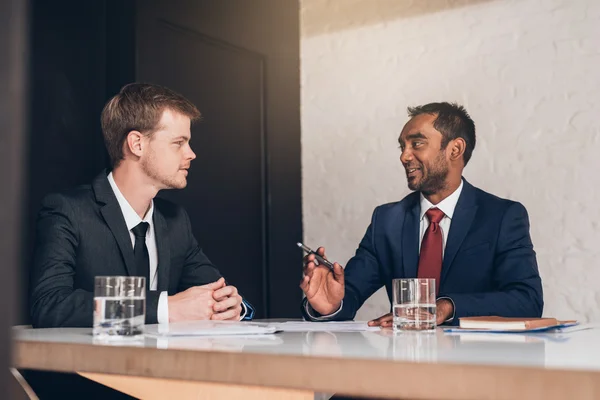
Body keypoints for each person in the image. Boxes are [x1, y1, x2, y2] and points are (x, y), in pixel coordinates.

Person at [29, 83, 254, 328]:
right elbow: (49, 304)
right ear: (137, 144)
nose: (191, 154)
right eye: (179, 142)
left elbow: (217, 294)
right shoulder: (67, 211)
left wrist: (233, 307)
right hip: (90, 366)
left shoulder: (175, 220)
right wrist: (165, 308)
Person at [300, 102, 543, 327]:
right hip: (406, 365)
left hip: (476, 365)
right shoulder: (386, 221)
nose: (404, 156)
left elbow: (527, 300)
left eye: (416, 144)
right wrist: (330, 304)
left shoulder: (502, 216)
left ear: (455, 149)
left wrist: (447, 307)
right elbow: (348, 295)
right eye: (402, 146)